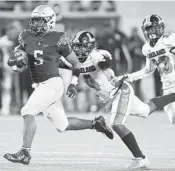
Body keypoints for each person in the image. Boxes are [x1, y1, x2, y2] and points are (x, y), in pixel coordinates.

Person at [3, 5, 113, 165]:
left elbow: (76, 63)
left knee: (27, 110)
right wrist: (16, 64)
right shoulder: (25, 36)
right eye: (35, 21)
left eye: (41, 21)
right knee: (63, 125)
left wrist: (73, 83)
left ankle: (25, 152)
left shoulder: (59, 38)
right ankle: (96, 124)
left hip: (53, 83)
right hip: (40, 85)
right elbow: (20, 62)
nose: (37, 25)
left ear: (50, 21)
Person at [68, 30, 175, 169]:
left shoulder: (97, 56)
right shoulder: (75, 62)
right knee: (145, 110)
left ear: (90, 46)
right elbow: (80, 74)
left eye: (81, 46)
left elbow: (105, 66)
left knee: (116, 124)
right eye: (76, 47)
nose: (79, 50)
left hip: (121, 91)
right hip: (113, 97)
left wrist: (111, 77)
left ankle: (140, 158)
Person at [126, 14, 175, 125]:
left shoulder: (170, 39)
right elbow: (148, 70)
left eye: (152, 28)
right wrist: (130, 76)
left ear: (160, 27)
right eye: (148, 29)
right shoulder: (147, 48)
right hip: (167, 87)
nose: (150, 31)